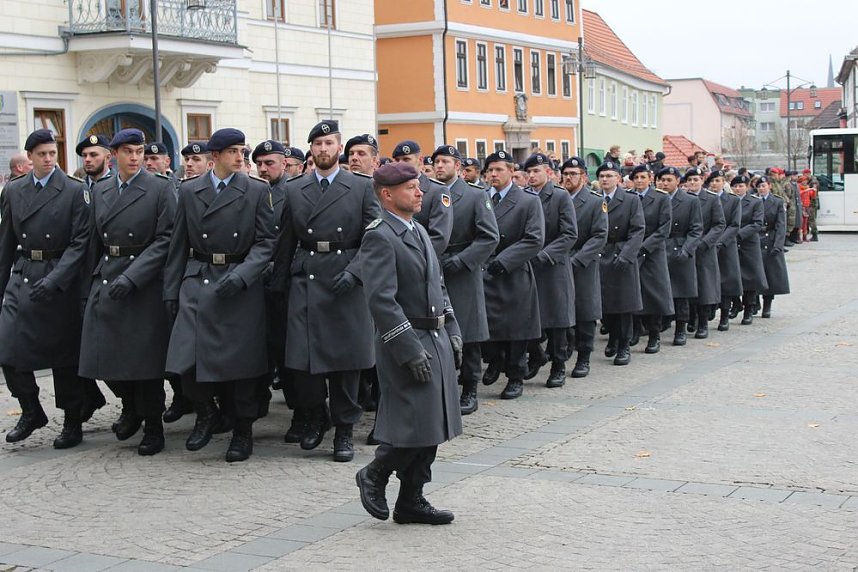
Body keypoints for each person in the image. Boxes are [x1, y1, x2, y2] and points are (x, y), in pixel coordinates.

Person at [355, 161, 461, 526]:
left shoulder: (416, 229)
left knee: (433, 422)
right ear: (387, 194)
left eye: (419, 186)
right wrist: (408, 349)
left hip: (434, 336)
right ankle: (375, 473)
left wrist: (453, 329)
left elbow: (438, 284)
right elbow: (382, 300)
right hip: (407, 341)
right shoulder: (380, 235)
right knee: (414, 422)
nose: (420, 192)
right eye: (411, 187)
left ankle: (412, 499)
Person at [163, 127, 276, 463]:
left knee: (241, 365)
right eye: (232, 152)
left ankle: (243, 430)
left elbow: (267, 242)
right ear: (215, 157)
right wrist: (172, 290)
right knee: (183, 357)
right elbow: (178, 245)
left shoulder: (255, 191)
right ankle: (205, 411)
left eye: (242, 151)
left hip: (238, 283)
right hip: (199, 280)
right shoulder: (189, 191)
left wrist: (242, 276)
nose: (240, 157)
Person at [271, 120, 380, 462]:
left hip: (345, 278)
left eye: (329, 143)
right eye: (317, 143)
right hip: (307, 279)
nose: (322, 149)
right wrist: (279, 282)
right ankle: (316, 416)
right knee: (303, 362)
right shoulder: (294, 188)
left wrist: (355, 272)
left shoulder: (361, 186)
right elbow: (286, 240)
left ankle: (344, 429)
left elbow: (374, 238)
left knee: (346, 363)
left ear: (339, 148)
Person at [79, 128, 176, 456]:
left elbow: (166, 239)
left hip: (143, 282)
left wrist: (133, 277)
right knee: (101, 355)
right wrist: (89, 283)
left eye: (140, 151)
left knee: (144, 362)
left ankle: (153, 424)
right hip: (107, 277)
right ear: (113, 155)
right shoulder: (103, 189)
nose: (135, 157)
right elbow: (94, 239)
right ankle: (130, 406)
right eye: (128, 152)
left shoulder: (159, 188)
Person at [0, 129, 91, 448]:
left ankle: (71, 422)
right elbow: (7, 241)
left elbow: (80, 243)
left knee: (64, 357)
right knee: (7, 347)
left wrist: (56, 280)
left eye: (53, 153)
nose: (50, 159)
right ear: (30, 157)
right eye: (42, 155)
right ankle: (30, 409)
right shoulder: (14, 190)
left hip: (59, 278)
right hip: (24, 275)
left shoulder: (72, 190)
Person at [432, 145, 498, 414]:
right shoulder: (426, 193)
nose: (439, 166)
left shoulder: (474, 195)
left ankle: (470, 387)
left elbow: (489, 236)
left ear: (458, 167)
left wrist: (462, 260)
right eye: (436, 161)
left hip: (463, 268)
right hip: (435, 266)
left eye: (445, 161)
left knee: (468, 331)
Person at [481, 150, 544, 399]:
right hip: (485, 269)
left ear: (511, 171)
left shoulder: (528, 201)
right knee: (490, 323)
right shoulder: (482, 198)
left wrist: (505, 261)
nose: (493, 175)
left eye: (498, 170)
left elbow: (534, 238)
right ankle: (496, 361)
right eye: (490, 170)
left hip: (513, 270)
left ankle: (516, 375)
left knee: (518, 328)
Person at [522, 152, 577, 386]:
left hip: (553, 265)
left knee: (556, 320)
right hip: (527, 265)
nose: (532, 176)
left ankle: (558, 365)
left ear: (549, 173)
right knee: (528, 316)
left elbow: (569, 234)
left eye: (537, 171)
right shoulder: (523, 197)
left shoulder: (560, 196)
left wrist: (544, 254)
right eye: (529, 172)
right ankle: (536, 354)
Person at [561, 157, 607, 378]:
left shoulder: (594, 201)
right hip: (560, 261)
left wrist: (578, 259)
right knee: (562, 308)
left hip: (583, 263)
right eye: (566, 173)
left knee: (585, 310)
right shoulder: (558, 198)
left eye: (573, 174)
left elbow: (599, 235)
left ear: (584, 177)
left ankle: (584, 356)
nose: (568, 178)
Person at [598, 161, 644, 365]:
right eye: (602, 176)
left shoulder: (630, 200)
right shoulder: (594, 199)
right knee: (605, 304)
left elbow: (637, 230)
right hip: (600, 254)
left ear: (618, 178)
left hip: (621, 253)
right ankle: (613, 338)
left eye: (609, 176)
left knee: (624, 304)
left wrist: (626, 255)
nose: (605, 179)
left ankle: (624, 345)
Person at [657, 166, 703, 346]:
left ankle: (681, 329)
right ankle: (660, 326)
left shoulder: (689, 201)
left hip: (679, 247)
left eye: (669, 180)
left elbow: (696, 228)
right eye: (662, 180)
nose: (665, 183)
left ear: (678, 181)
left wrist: (687, 249)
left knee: (681, 292)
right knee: (660, 290)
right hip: (659, 248)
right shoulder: (656, 198)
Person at [630, 165, 673, 353]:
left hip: (652, 253)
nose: (639, 180)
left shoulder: (661, 198)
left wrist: (644, 246)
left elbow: (664, 228)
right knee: (633, 292)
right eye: (636, 177)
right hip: (631, 252)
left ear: (650, 178)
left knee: (653, 295)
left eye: (643, 177)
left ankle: (654, 334)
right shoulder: (629, 197)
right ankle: (635, 330)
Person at [683, 167, 725, 339]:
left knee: (704, 287)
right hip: (687, 247)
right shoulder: (682, 199)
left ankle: (703, 323)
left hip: (704, 249)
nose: (693, 183)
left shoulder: (712, 199)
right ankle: (691, 318)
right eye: (690, 180)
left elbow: (719, 224)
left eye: (696, 180)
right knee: (688, 286)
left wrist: (705, 242)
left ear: (702, 181)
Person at [392, 140, 453, 258]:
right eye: (397, 160)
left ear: (420, 160)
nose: (400, 164)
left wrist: (411, 259)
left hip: (420, 261)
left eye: (406, 159)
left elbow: (439, 238)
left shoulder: (436, 191)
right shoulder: (391, 189)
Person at [707, 170, 742, 331]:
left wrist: (720, 241)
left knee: (726, 281)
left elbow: (734, 225)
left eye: (718, 181)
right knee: (710, 280)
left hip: (726, 245)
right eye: (712, 181)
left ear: (723, 183)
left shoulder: (733, 200)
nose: (715, 184)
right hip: (708, 245)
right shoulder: (704, 199)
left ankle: (725, 316)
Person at [730, 175, 767, 325]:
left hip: (748, 244)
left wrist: (737, 234)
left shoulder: (755, 202)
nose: (738, 189)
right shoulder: (728, 201)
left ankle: (748, 310)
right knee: (731, 275)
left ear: (746, 187)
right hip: (730, 244)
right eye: (735, 186)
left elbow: (757, 223)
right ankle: (735, 303)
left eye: (741, 186)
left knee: (750, 278)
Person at [754, 176, 790, 318]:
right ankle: (754, 302)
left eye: (763, 186)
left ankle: (767, 304)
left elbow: (781, 225)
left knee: (771, 275)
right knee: (755, 274)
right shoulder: (753, 201)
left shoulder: (777, 202)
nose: (761, 189)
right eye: (759, 186)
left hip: (770, 239)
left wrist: (778, 244)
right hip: (756, 239)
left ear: (769, 186)